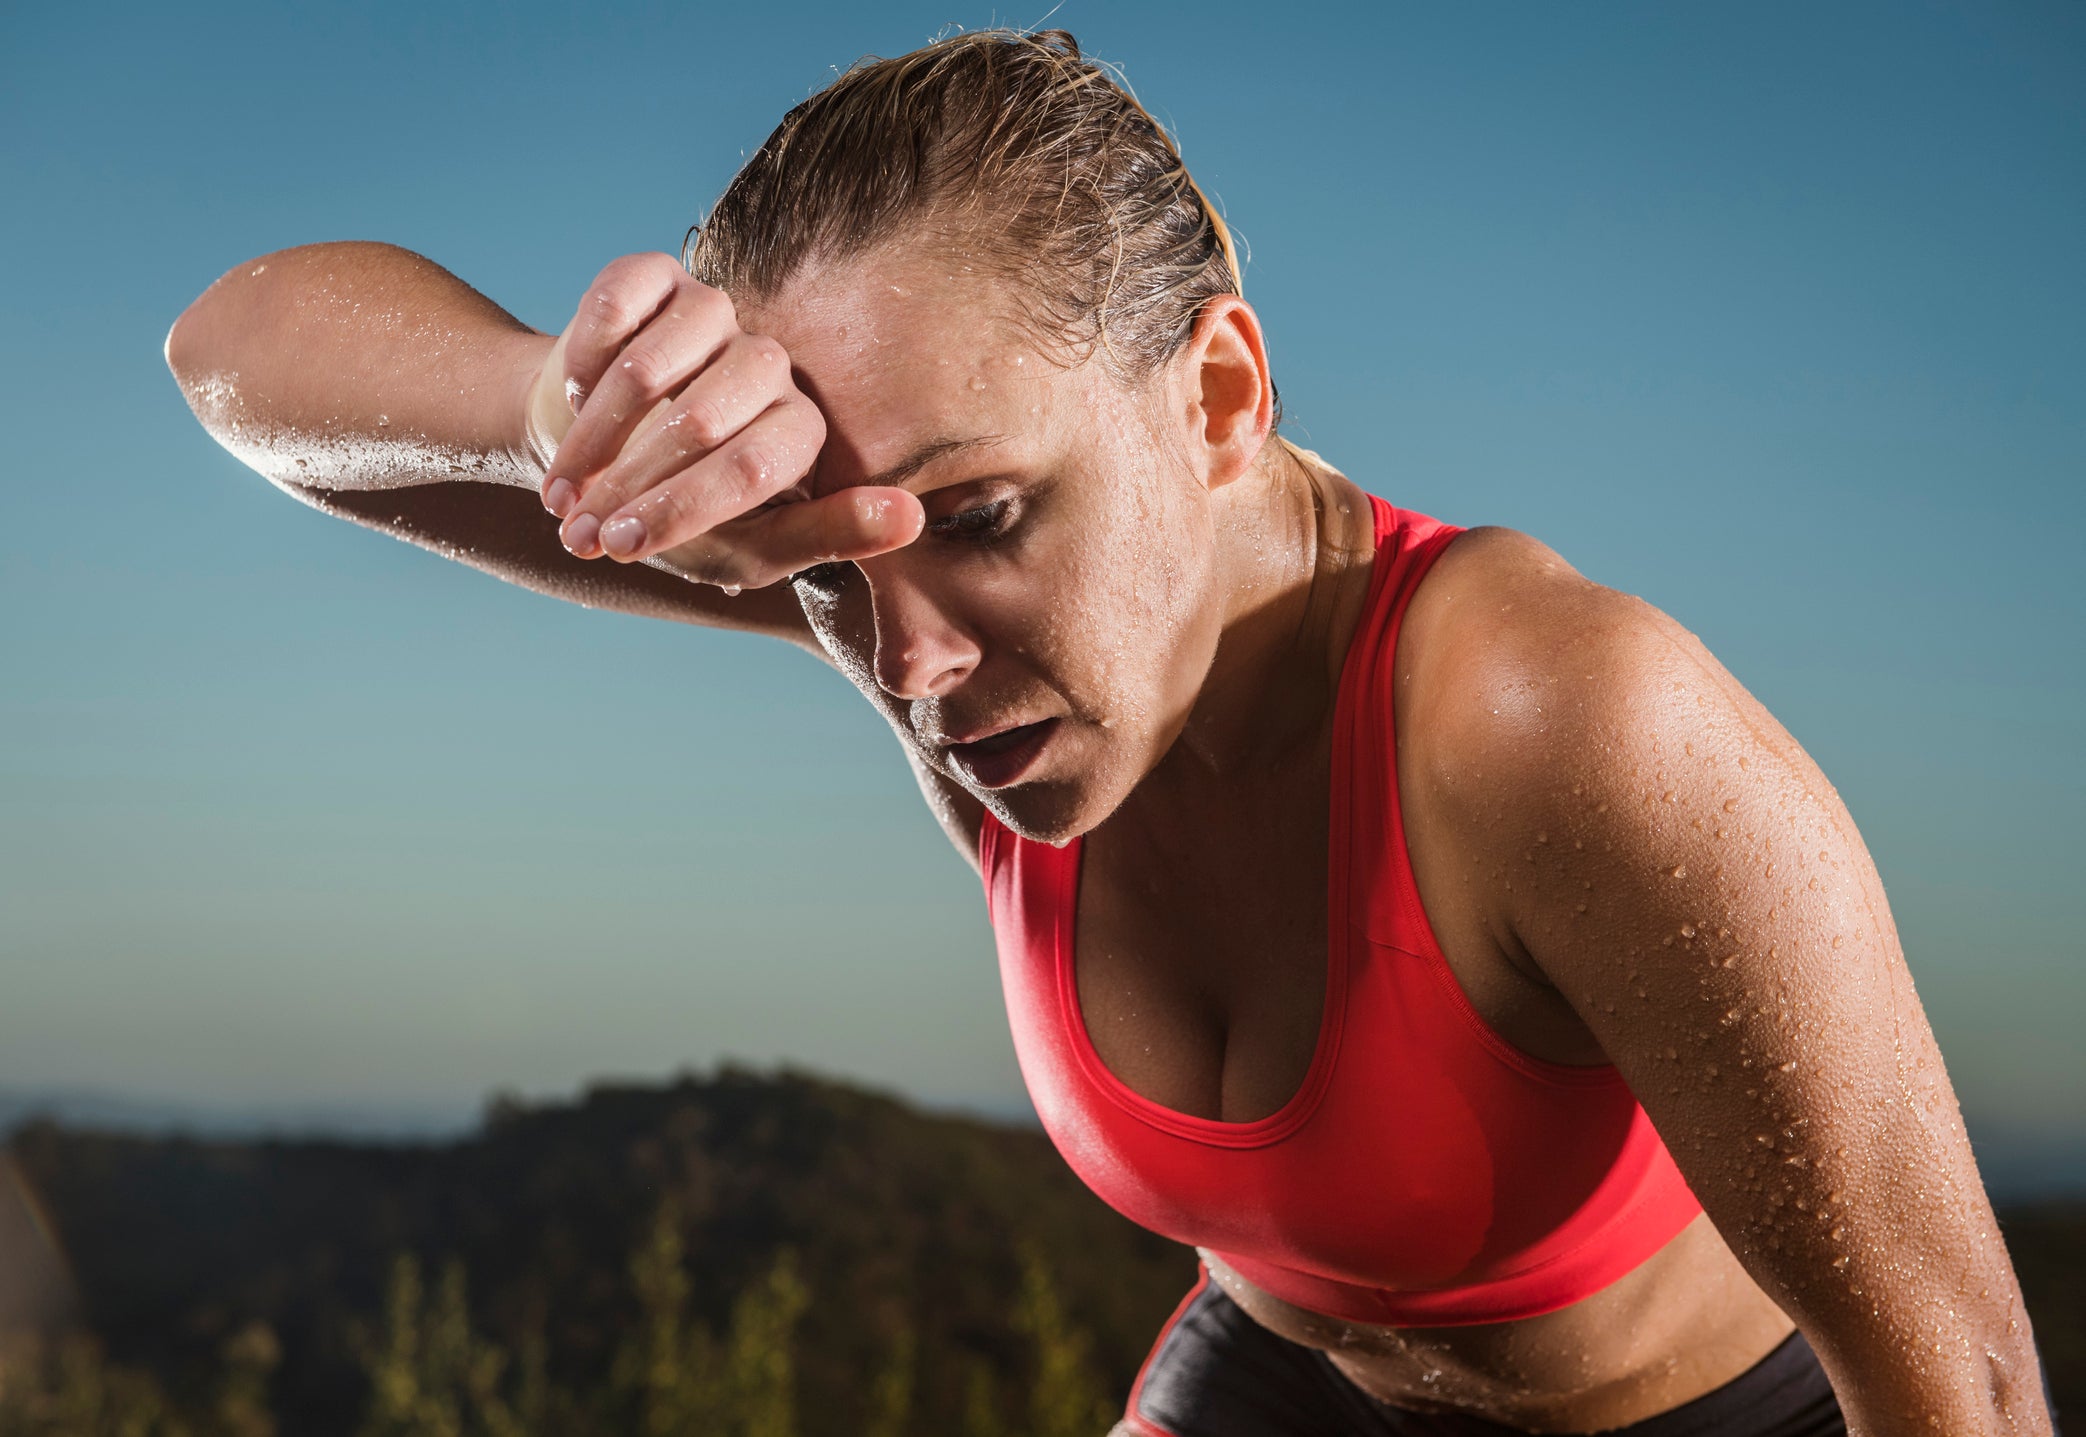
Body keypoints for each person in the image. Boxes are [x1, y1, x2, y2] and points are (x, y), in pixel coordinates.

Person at [163, 29, 2056, 1437]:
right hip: (1288, 1381)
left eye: (983, 516)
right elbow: (231, 353)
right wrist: (559, 407)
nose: (904, 662)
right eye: (820, 567)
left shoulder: (1552, 719)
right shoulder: (903, 602)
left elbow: (1959, 1375)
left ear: (1218, 395)